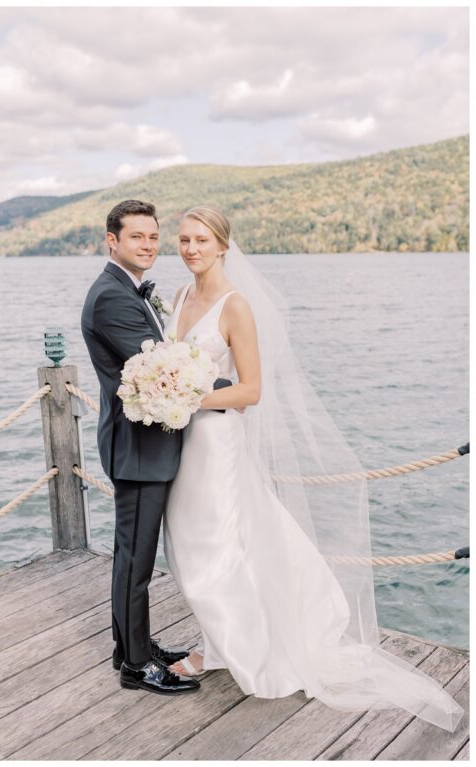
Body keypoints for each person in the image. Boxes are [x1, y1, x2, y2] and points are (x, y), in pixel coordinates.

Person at [162, 205, 462, 731]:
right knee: (189, 545)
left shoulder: (236, 307)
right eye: (184, 239)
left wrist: (186, 397)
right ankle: (219, 640)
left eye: (201, 240)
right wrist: (162, 392)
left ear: (223, 245)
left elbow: (250, 391)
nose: (190, 249)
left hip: (215, 441)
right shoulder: (180, 296)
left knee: (217, 545)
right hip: (181, 441)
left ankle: (243, 653)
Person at [80, 199, 230, 695]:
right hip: (139, 448)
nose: (147, 245)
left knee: (132, 556)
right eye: (136, 237)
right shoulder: (111, 298)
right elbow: (161, 369)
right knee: (136, 560)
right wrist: (226, 384)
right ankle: (136, 666)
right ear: (112, 241)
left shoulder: (129, 290)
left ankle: (133, 647)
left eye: (152, 237)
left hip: (143, 445)